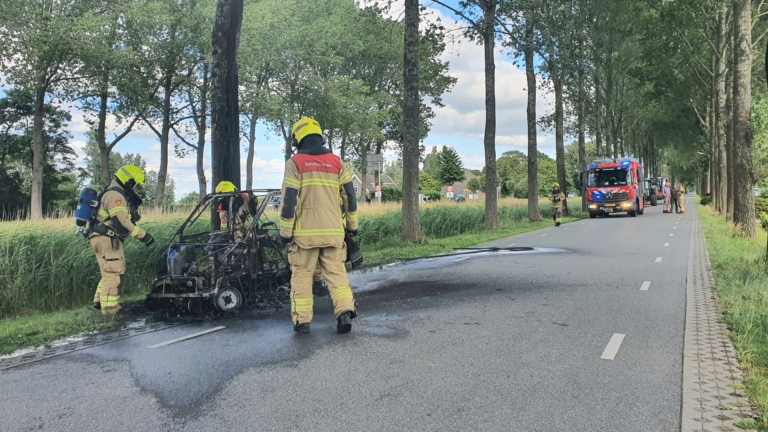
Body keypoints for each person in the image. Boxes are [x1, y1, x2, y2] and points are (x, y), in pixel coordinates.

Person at [280, 117, 358, 334]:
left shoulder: (295, 163)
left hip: (305, 237)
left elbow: (289, 201)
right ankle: (344, 314)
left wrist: (286, 233)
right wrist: (351, 226)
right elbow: (350, 197)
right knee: (336, 274)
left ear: (298, 138)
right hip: (333, 233)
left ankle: (303, 323)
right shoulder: (337, 162)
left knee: (302, 276)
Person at [91, 165, 155, 315]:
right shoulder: (116, 196)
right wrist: (144, 236)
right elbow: (121, 221)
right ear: (128, 181)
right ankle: (110, 311)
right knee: (114, 274)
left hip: (101, 236)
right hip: (108, 238)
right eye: (134, 184)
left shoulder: (110, 191)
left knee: (108, 272)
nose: (134, 188)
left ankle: (99, 302)